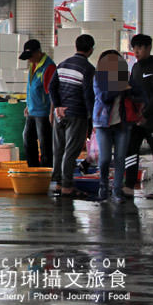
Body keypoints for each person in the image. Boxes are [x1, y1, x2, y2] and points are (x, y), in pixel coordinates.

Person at [48, 34, 96, 197]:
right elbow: (88, 95)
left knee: (59, 149)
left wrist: (58, 106)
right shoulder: (88, 69)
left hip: (59, 114)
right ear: (91, 50)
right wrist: (93, 117)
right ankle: (67, 186)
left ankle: (58, 184)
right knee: (71, 151)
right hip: (77, 114)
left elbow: (51, 87)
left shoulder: (62, 64)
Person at [125, 34, 153, 199]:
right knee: (131, 151)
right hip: (135, 121)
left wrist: (145, 114)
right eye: (134, 48)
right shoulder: (135, 68)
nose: (136, 51)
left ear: (149, 48)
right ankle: (128, 186)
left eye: (140, 48)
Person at [93, 50, 137, 202]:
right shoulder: (98, 79)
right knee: (104, 159)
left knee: (120, 158)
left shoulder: (126, 78)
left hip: (123, 124)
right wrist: (119, 87)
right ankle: (103, 185)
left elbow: (137, 94)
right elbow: (104, 97)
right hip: (102, 123)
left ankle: (117, 190)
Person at [19, 39, 56, 171]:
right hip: (32, 111)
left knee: (45, 144)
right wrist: (28, 105)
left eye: (31, 57)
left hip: (44, 113)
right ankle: (33, 169)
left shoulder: (49, 67)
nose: (29, 60)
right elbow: (31, 88)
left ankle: (46, 171)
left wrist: (52, 113)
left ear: (38, 53)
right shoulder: (33, 65)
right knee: (28, 140)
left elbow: (52, 93)